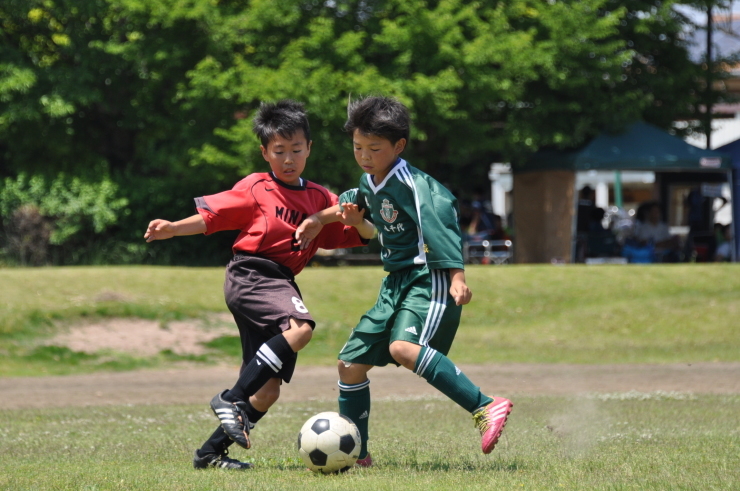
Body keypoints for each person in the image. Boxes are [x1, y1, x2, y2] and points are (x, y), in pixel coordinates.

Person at [143, 100, 374, 470]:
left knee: (267, 390)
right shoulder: (256, 188)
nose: (288, 159)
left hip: (281, 283)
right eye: (279, 151)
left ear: (309, 149)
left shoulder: (319, 198)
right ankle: (231, 399)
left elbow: (360, 233)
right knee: (301, 329)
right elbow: (210, 218)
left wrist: (359, 220)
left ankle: (209, 454)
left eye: (296, 150)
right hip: (251, 274)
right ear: (264, 152)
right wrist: (172, 227)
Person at [295, 96, 513, 467]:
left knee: (403, 348)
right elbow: (352, 204)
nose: (364, 155)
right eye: (358, 147)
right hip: (394, 283)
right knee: (349, 364)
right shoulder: (371, 180)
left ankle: (486, 406)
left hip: (428, 277)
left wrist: (457, 276)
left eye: (374, 149)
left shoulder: (416, 185)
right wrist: (320, 219)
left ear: (399, 146)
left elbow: (440, 224)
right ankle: (358, 454)